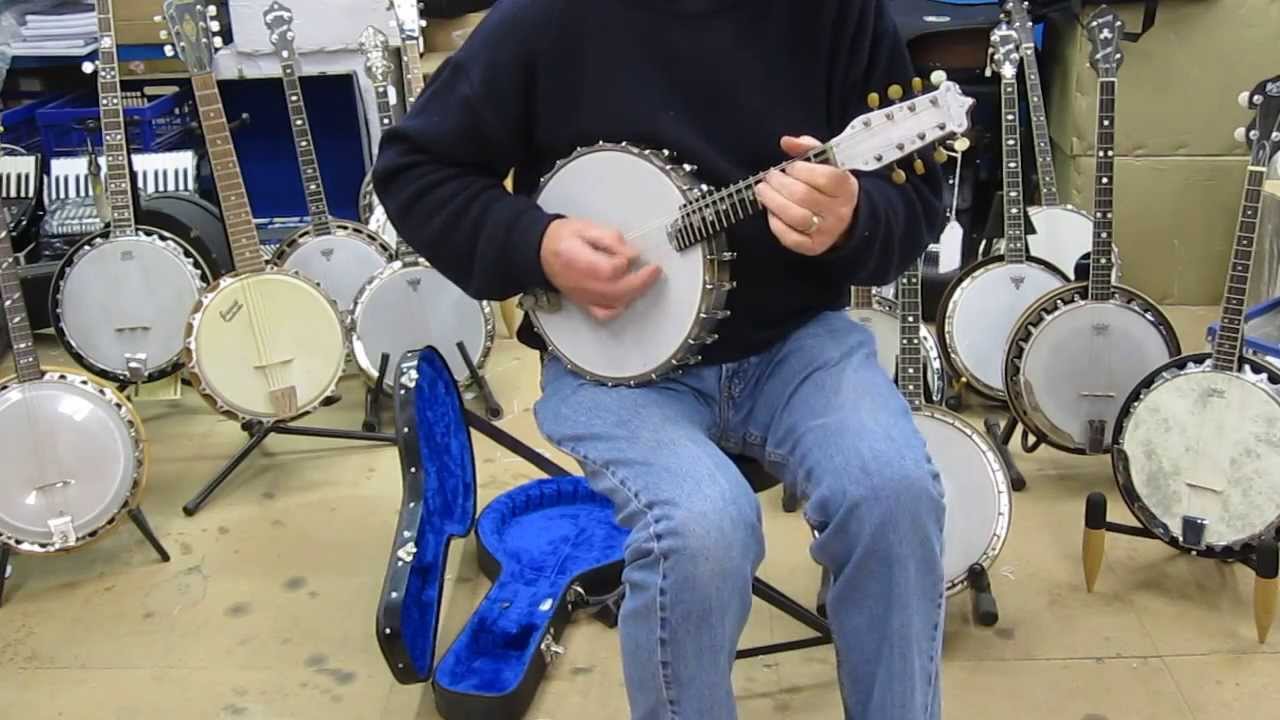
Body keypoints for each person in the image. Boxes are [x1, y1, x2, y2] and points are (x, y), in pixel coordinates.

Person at [373, 1, 948, 717]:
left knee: (895, 494)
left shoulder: (838, 14)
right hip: (611, 369)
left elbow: (914, 200)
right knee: (701, 529)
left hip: (794, 344)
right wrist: (538, 247)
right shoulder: (546, 18)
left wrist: (854, 217)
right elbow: (414, 169)